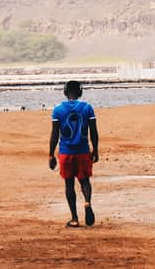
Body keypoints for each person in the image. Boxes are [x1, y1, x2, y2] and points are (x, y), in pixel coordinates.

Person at [48, 80, 99, 227]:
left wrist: (51, 154)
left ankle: (75, 218)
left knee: (69, 184)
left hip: (66, 152)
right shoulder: (87, 108)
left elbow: (55, 134)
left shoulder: (58, 109)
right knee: (84, 181)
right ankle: (87, 203)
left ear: (65, 92)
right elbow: (93, 132)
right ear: (80, 92)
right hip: (83, 151)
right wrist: (95, 150)